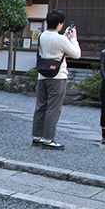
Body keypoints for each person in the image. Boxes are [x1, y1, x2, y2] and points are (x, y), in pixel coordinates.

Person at [31, 9, 82, 150]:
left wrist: (64, 37)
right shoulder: (61, 39)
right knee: (53, 108)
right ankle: (48, 139)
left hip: (42, 76)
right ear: (60, 23)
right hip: (57, 77)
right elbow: (76, 54)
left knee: (41, 105)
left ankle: (37, 136)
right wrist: (73, 38)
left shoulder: (41, 36)